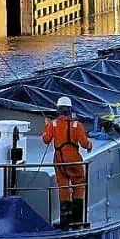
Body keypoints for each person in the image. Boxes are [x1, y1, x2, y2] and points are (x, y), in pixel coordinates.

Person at [41, 96, 92, 226]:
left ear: (58, 110)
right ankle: (77, 219)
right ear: (70, 110)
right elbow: (84, 143)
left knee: (63, 186)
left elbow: (46, 139)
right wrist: (90, 145)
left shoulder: (53, 124)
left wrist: (47, 125)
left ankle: (65, 219)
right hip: (74, 159)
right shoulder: (77, 125)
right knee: (79, 184)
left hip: (59, 160)